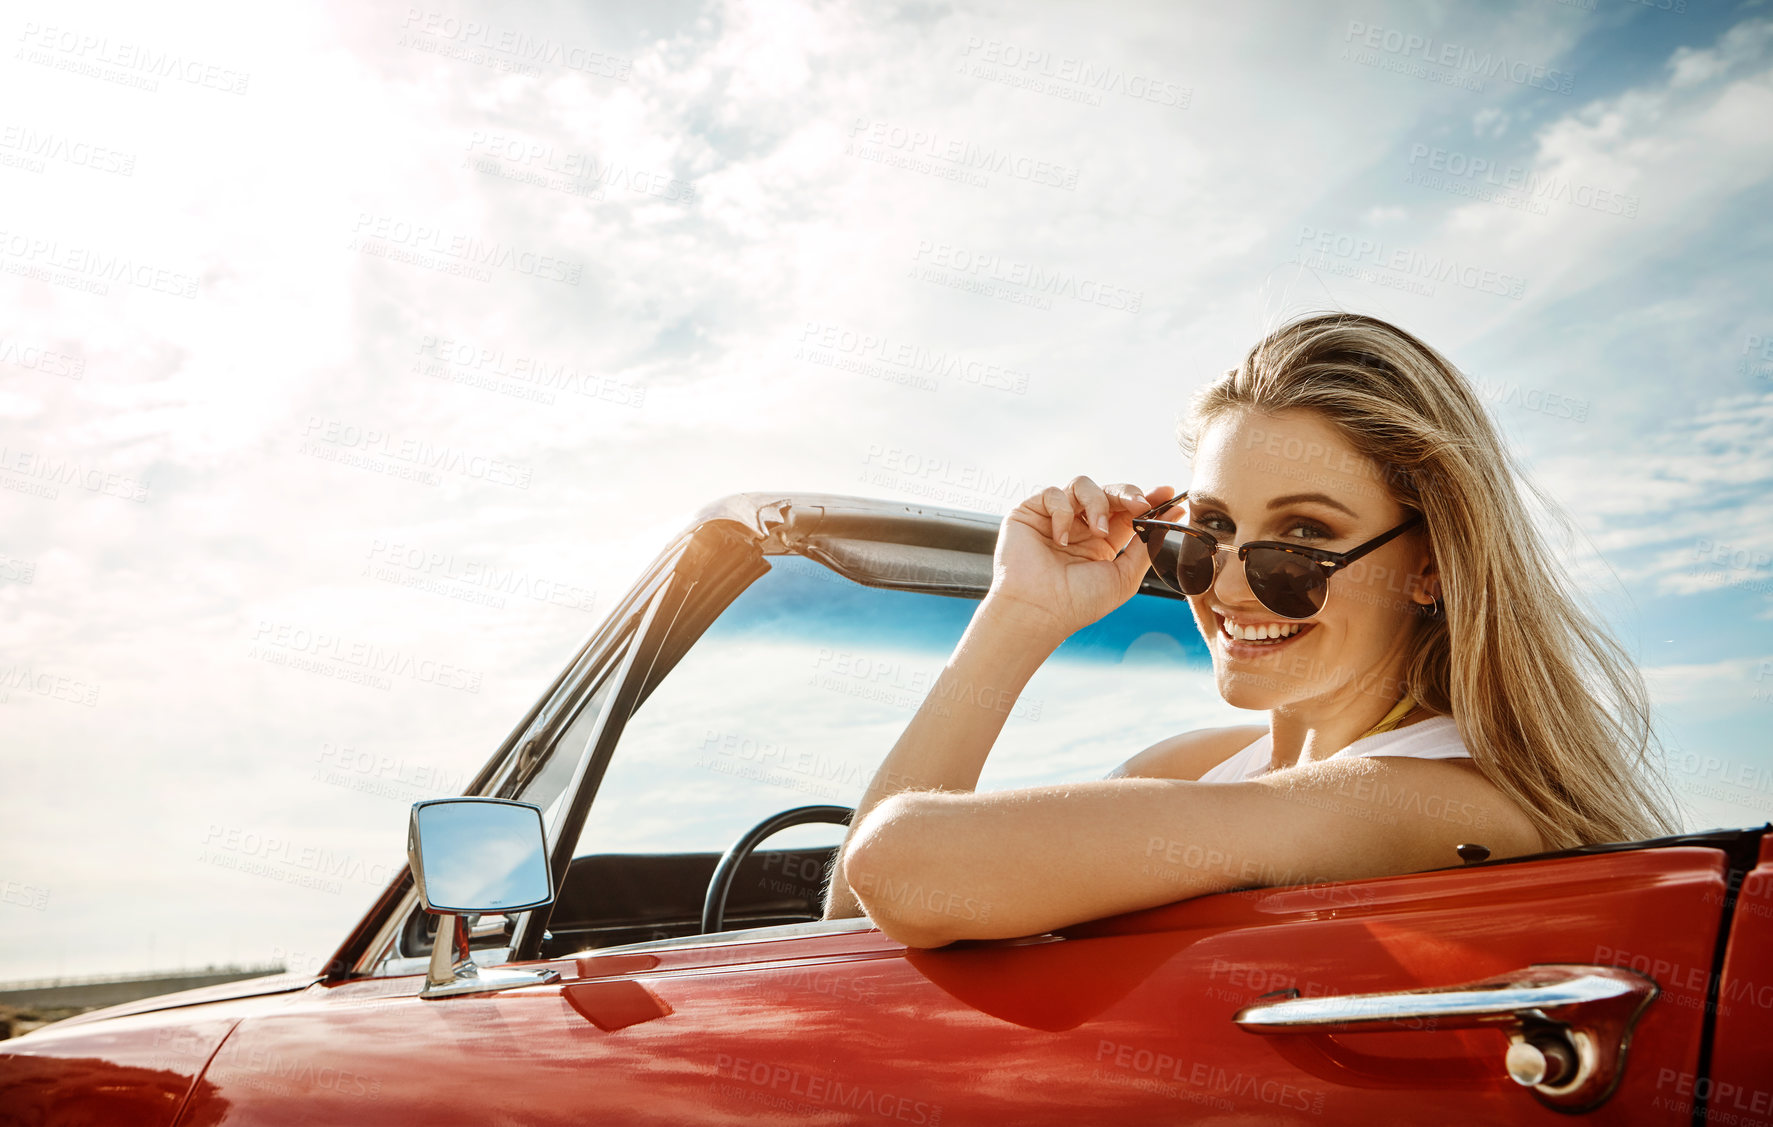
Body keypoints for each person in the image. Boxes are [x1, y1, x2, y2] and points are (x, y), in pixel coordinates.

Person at [821, 311, 1683, 949]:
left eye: (1304, 539)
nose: (1228, 583)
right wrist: (1017, 613)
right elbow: (852, 937)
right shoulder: (1191, 766)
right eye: (1209, 531)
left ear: (1430, 565)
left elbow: (903, 863)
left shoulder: (1439, 799)